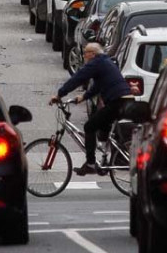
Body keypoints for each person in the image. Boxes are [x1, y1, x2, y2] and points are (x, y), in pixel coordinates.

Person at [50, 42, 131, 176]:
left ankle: (90, 164)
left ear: (93, 54)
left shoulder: (96, 63)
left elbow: (78, 78)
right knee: (102, 122)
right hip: (124, 100)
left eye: (85, 53)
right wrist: (84, 97)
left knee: (89, 126)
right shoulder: (105, 62)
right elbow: (98, 85)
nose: (84, 56)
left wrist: (59, 94)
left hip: (118, 102)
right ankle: (104, 157)